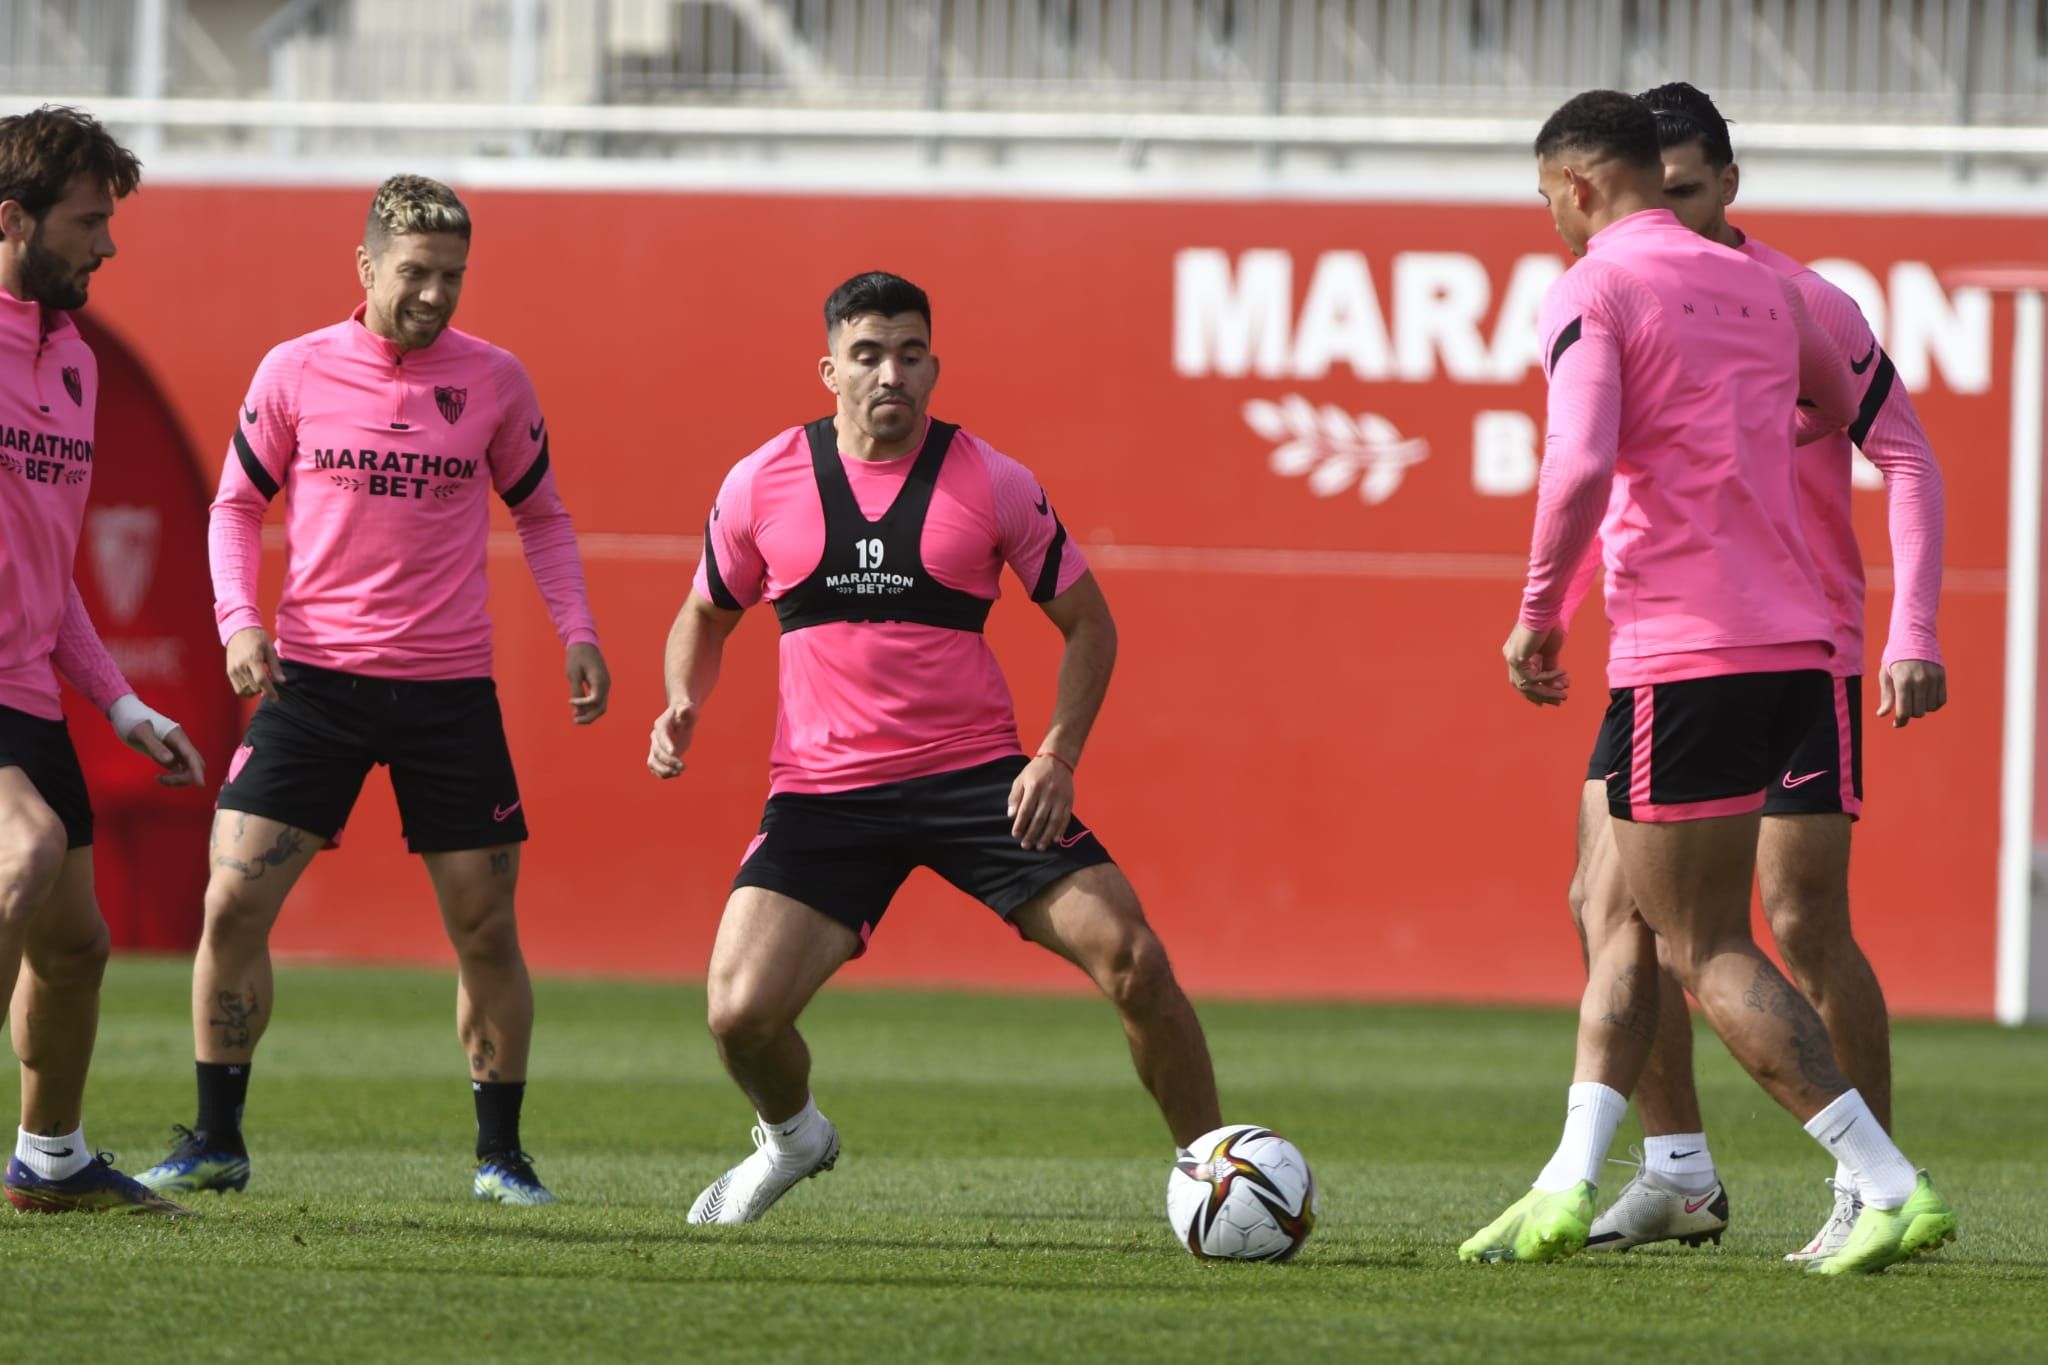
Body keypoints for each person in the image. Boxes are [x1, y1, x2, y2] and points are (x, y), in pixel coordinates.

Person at [1460, 91, 1955, 1275]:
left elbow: (1580, 461)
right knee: (1609, 903)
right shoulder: (1757, 293)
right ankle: (1612, 1175)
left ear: (1579, 188)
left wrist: (1536, 613)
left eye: (1543, 200)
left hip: (1703, 646)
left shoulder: (1612, 285)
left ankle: (1878, 1179)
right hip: (1754, 639)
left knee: (1725, 939)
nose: (1546, 223)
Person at [648, 270, 1223, 1225]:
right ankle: (794, 1137)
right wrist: (680, 699)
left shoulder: (992, 479)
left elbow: (1091, 627)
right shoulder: (763, 481)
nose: (891, 374)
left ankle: (1213, 1172)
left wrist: (1057, 754)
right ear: (829, 366)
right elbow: (704, 615)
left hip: (978, 782)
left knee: (1135, 958)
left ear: (935, 365)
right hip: (825, 794)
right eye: (868, 354)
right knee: (738, 1016)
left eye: (911, 354)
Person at [136, 175, 610, 1206]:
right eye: (416, 273)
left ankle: (501, 1156)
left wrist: (576, 629)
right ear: (365, 267)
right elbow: (232, 507)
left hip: (447, 693)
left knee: (484, 926)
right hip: (315, 685)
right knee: (231, 903)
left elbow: (543, 516)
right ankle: (217, 1139)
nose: (436, 294)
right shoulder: (296, 369)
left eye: (452, 276)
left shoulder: (493, 381)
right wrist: (238, 622)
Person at [0, 105, 205, 1215]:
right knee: (19, 851)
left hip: (31, 699)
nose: (108, 245)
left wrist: (120, 705)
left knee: (75, 948)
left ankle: (52, 1161)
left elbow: (51, 565)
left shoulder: (71, 361)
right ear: (11, 220)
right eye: (88, 222)